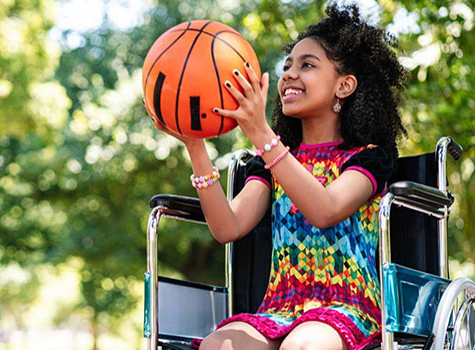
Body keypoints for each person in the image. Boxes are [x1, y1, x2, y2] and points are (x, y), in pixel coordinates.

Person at [150, 5, 408, 350]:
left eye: (307, 65)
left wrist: (261, 135)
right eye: (287, 66)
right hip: (279, 310)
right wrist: (195, 146)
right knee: (218, 346)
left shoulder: (368, 158)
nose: (289, 74)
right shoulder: (270, 164)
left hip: (347, 308)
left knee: (302, 347)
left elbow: (326, 209)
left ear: (344, 86)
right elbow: (227, 228)